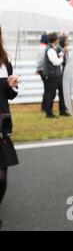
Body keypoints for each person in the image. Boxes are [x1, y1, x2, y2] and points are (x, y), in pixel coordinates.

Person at [0, 27, 19, 229]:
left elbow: (10, 96)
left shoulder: (5, 62)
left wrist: (11, 85)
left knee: (1, 178)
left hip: (1, 123)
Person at [43, 33, 69, 118]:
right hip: (52, 76)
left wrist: (63, 52)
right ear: (55, 40)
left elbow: (58, 55)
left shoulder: (54, 48)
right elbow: (56, 62)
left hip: (57, 75)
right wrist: (62, 57)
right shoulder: (50, 50)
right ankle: (48, 112)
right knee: (51, 95)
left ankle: (62, 110)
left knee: (61, 93)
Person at [36, 33, 48, 112]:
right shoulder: (43, 48)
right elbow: (41, 60)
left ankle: (44, 107)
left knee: (47, 89)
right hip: (43, 70)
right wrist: (39, 68)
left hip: (41, 69)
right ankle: (45, 107)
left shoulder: (40, 47)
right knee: (47, 89)